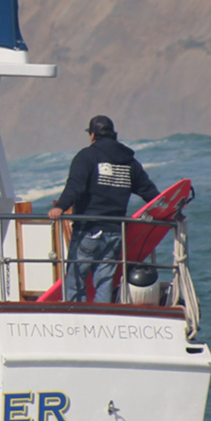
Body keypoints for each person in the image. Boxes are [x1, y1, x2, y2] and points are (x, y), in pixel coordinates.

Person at [46, 115, 160, 304]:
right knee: (104, 281)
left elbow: (75, 186)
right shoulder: (129, 162)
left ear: (93, 136)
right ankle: (103, 311)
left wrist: (60, 207)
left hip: (88, 230)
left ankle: (76, 313)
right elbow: (149, 192)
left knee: (75, 280)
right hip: (115, 232)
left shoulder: (87, 156)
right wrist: (170, 209)